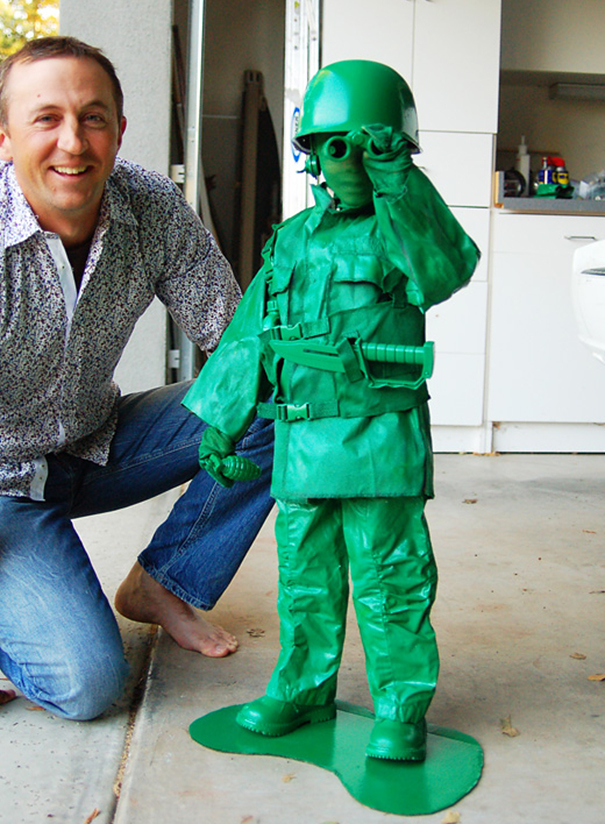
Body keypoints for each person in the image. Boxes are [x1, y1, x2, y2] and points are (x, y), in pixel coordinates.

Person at [183, 60, 480, 762]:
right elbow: (251, 333)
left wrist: (399, 187)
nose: (341, 160)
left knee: (389, 578)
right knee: (304, 578)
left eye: (363, 143)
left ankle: (401, 705)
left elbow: (446, 269)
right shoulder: (289, 240)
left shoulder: (400, 231)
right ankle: (302, 688)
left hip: (379, 437)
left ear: (396, 150)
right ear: (309, 154)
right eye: (330, 144)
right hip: (303, 441)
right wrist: (222, 419)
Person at [0, 36, 274, 721]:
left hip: (96, 443)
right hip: (3, 490)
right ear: (4, 137)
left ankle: (164, 582)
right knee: (89, 685)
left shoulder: (148, 206)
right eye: (46, 119)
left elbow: (236, 341)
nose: (73, 142)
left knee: (281, 398)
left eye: (93, 118)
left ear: (119, 131)